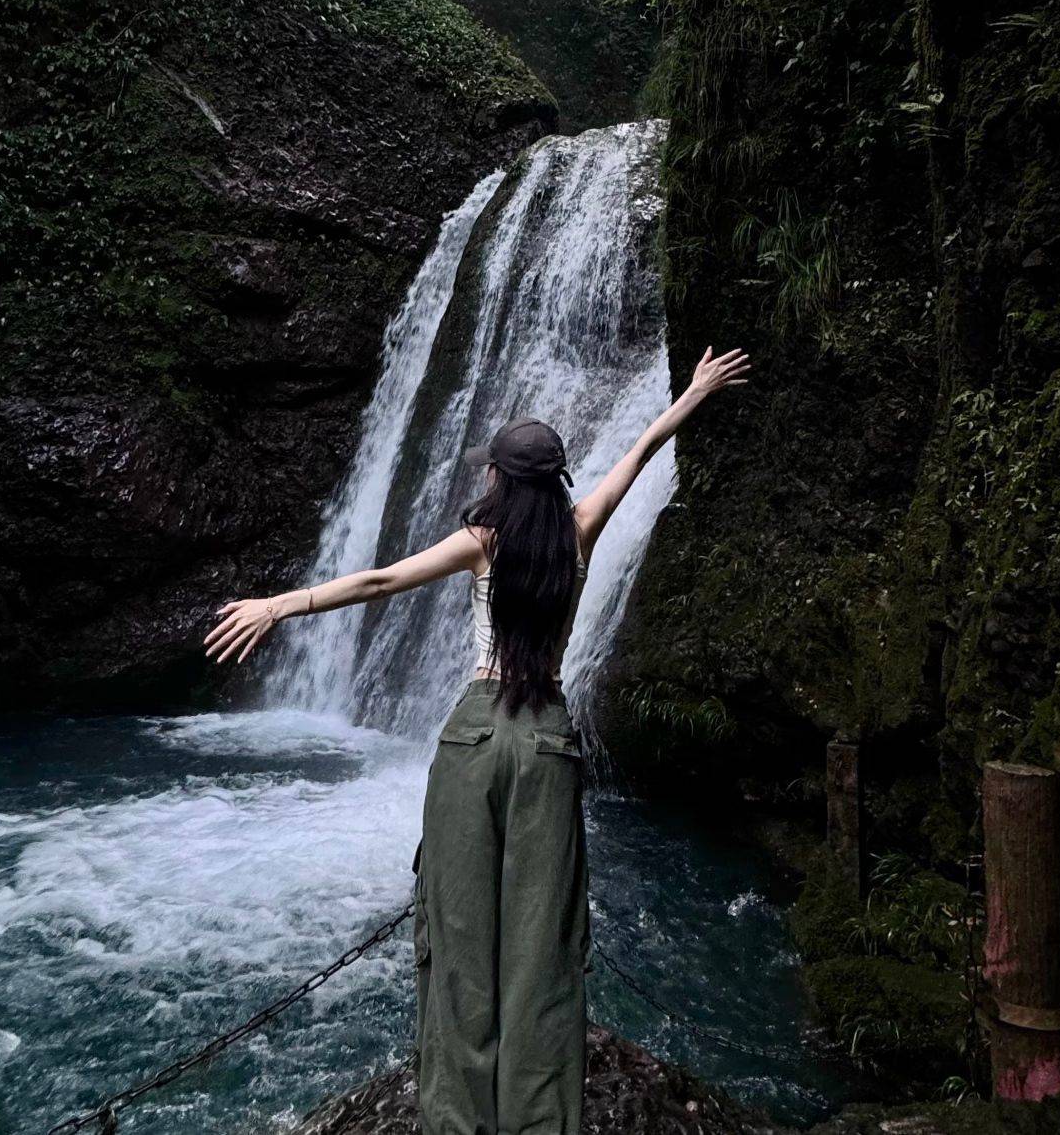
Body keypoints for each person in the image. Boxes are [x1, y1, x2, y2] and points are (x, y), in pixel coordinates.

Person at [204, 344, 752, 1135]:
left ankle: (457, 1121)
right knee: (543, 945)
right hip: (548, 742)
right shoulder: (581, 527)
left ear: (498, 478)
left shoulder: (483, 541)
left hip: (471, 735)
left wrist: (278, 605)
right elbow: (640, 450)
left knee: (459, 935)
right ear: (557, 480)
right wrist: (695, 392)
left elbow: (379, 580)